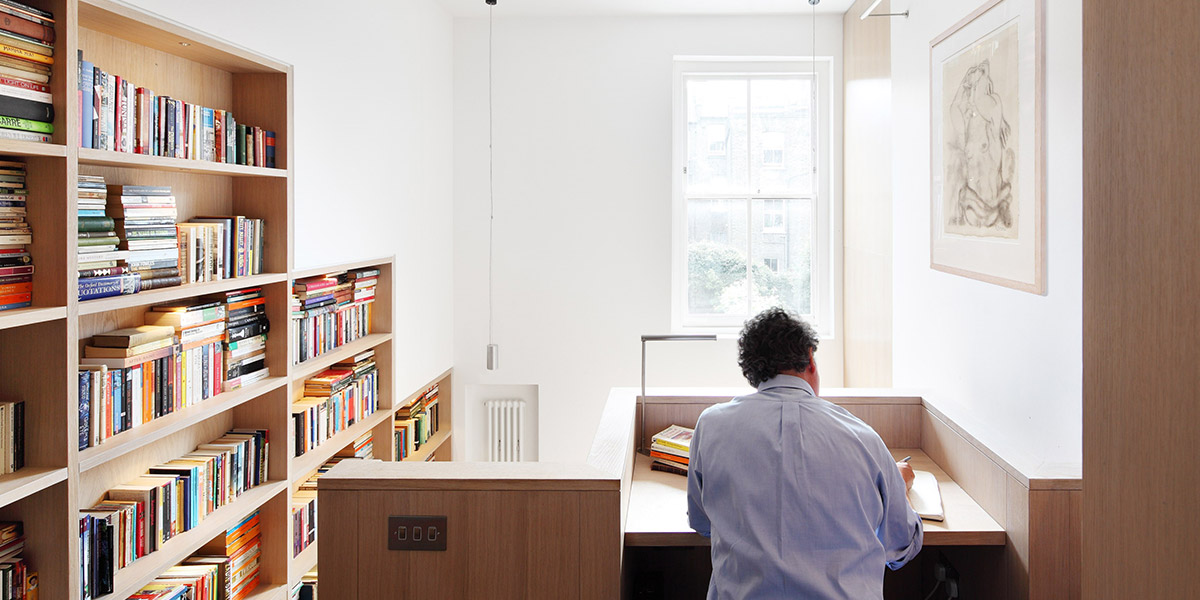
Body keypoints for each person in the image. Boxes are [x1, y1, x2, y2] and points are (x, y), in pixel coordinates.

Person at [687, 308, 922, 599]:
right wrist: (899, 488)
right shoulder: (862, 438)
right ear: (810, 358)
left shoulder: (710, 426)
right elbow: (901, 547)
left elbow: (702, 523)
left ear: (752, 371)